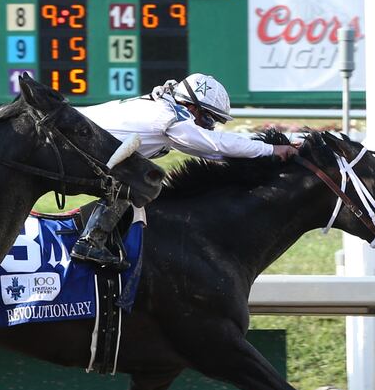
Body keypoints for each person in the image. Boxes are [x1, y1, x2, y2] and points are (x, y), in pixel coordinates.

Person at [72, 73, 299, 268]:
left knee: (141, 175)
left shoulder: (167, 109)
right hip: (72, 145)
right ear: (191, 106)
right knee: (143, 179)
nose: (209, 127)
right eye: (209, 119)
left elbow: (213, 152)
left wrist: (268, 150)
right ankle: (91, 242)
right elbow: (214, 144)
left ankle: (102, 236)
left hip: (80, 143)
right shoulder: (169, 114)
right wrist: (270, 149)